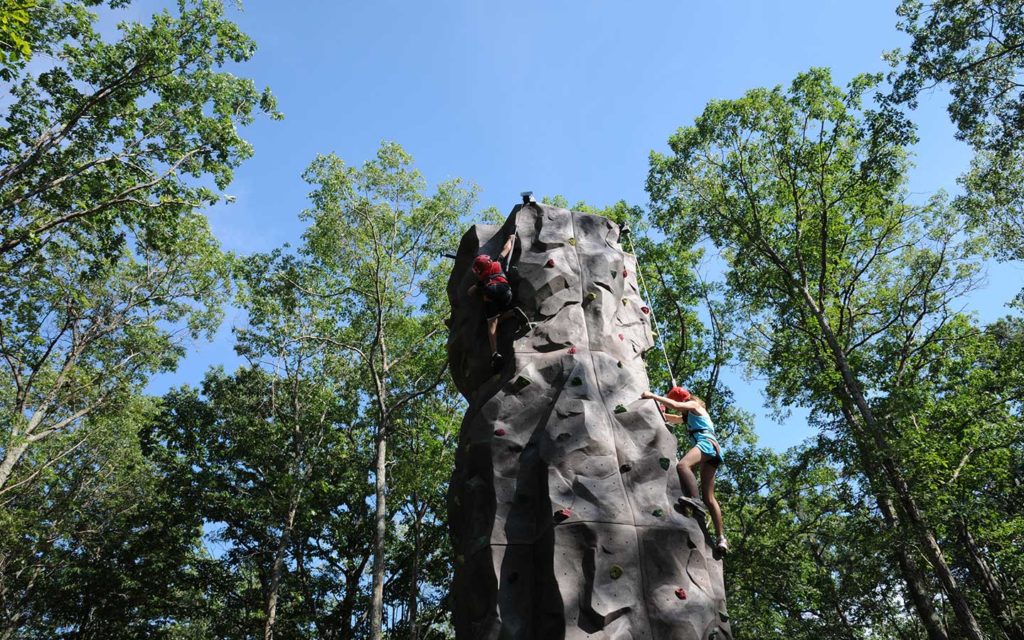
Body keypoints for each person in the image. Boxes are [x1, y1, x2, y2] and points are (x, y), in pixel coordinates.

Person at [642, 386, 728, 554]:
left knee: (682, 465)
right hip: (714, 449)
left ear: (685, 400)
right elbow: (673, 417)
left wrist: (653, 396)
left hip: (706, 443)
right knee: (710, 498)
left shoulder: (695, 406)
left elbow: (677, 406)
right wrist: (657, 411)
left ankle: (695, 500)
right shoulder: (692, 415)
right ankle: (721, 539)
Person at [468, 231, 527, 371]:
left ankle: (495, 353)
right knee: (496, 320)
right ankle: (512, 312)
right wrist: (511, 237)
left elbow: (469, 292)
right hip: (506, 292)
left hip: (491, 293)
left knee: (491, 325)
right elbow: (506, 249)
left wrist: (477, 287)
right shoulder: (497, 263)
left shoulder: (482, 280)